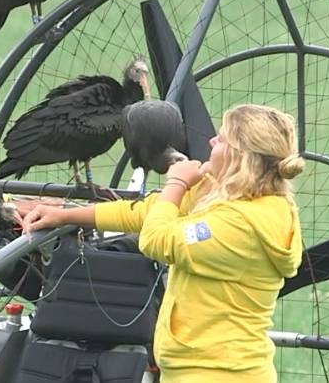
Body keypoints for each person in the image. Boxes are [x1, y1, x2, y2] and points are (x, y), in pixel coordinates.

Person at [20, 104, 306, 382]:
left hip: (216, 373)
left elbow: (156, 240)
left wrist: (177, 183)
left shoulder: (238, 224)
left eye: (221, 139)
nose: (211, 141)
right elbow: (150, 212)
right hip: (203, 369)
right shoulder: (244, 199)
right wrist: (63, 215)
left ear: (239, 157)